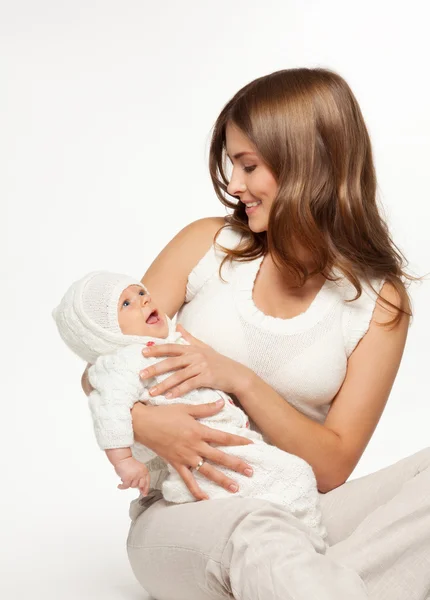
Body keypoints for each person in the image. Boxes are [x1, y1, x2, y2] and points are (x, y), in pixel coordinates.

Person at [81, 67, 430, 599]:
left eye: (249, 165)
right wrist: (145, 424)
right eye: (232, 165)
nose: (234, 185)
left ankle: (315, 585)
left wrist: (239, 379)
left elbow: (332, 466)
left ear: (309, 164)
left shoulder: (378, 302)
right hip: (186, 514)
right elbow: (102, 365)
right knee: (257, 534)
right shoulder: (206, 245)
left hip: (301, 509)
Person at [53, 271, 327, 539]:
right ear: (104, 334)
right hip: (205, 455)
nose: (144, 300)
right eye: (126, 304)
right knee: (295, 477)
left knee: (285, 486)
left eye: (140, 292)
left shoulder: (175, 338)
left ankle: (301, 540)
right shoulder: (125, 361)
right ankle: (313, 541)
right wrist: (123, 461)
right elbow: (109, 407)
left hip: (230, 442)